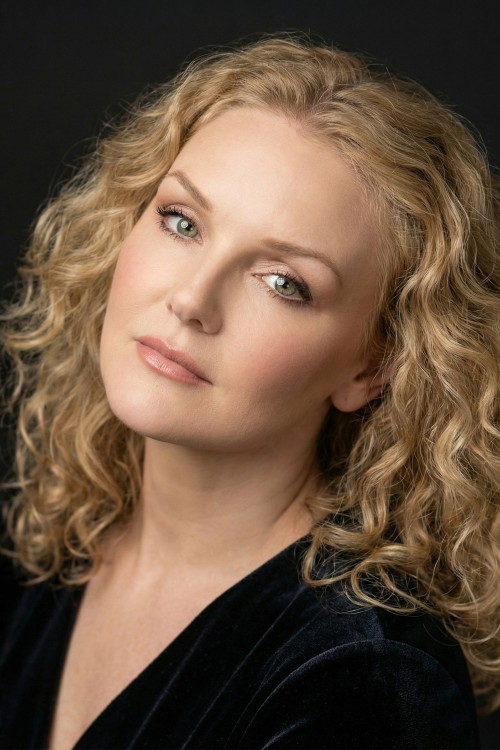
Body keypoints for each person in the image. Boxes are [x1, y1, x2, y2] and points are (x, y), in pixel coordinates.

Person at [0, 35, 498, 750]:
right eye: (182, 222)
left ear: (371, 368)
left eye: (284, 283)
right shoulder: (47, 545)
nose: (191, 299)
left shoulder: (366, 681)